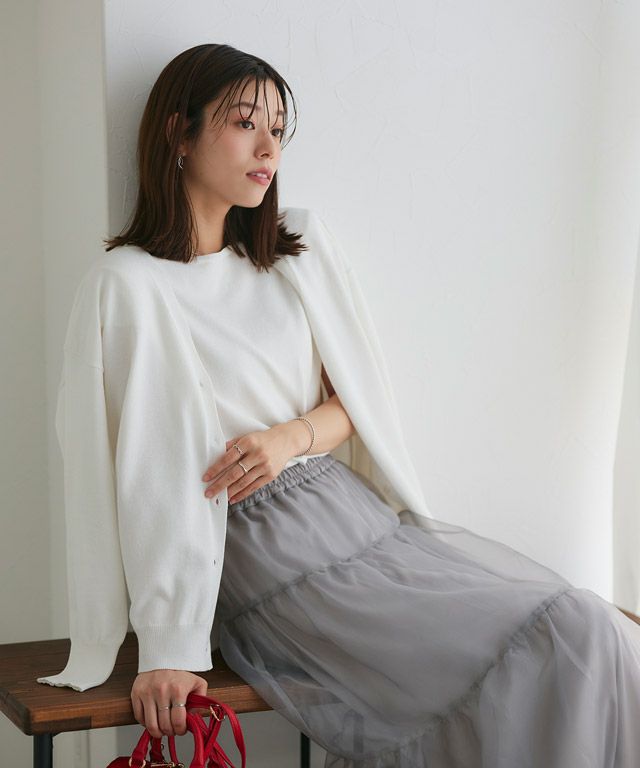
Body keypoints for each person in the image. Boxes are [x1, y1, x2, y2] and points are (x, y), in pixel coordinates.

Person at [38, 43, 640, 767]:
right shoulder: (128, 285)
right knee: (566, 637)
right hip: (260, 551)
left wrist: (286, 438)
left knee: (591, 630)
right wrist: (170, 645)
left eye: (278, 129)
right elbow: (142, 477)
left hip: (353, 517)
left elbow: (359, 402)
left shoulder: (297, 250)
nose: (269, 148)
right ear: (179, 133)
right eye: (245, 124)